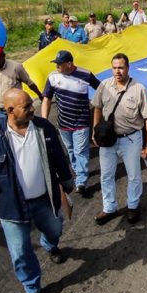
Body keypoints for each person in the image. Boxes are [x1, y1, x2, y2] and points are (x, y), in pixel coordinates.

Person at [0, 88, 74, 293]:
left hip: (44, 199)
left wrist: (67, 180)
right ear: (10, 111)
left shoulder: (43, 128)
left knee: (55, 228)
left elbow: (59, 156)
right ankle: (33, 288)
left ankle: (50, 245)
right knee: (20, 251)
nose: (32, 108)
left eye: (31, 104)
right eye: (26, 106)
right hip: (12, 207)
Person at [91, 53, 147, 225]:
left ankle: (133, 206)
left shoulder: (139, 89)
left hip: (131, 139)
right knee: (106, 175)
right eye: (114, 67)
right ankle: (109, 208)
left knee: (134, 175)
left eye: (121, 67)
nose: (117, 71)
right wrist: (95, 131)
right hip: (108, 140)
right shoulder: (104, 85)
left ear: (128, 68)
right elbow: (97, 108)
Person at [41, 50, 101, 195]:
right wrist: (44, 120)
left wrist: (101, 105)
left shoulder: (85, 74)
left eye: (59, 64)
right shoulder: (53, 77)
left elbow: (100, 89)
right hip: (63, 123)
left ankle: (81, 180)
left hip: (81, 122)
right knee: (71, 150)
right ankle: (78, 170)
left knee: (81, 151)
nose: (57, 67)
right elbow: (47, 99)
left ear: (69, 64)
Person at [0, 51, 44, 129]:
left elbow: (30, 83)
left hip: (16, 111)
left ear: (3, 56)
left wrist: (40, 94)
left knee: (25, 131)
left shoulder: (16, 67)